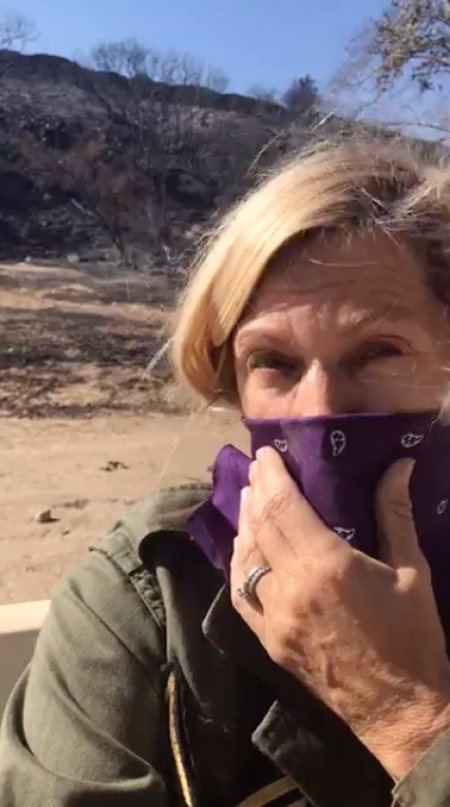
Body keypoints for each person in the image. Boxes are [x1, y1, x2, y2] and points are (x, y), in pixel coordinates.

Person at [2, 136, 450, 807]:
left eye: (379, 349)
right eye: (274, 360)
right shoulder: (145, 596)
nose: (320, 409)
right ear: (233, 383)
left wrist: (405, 714)